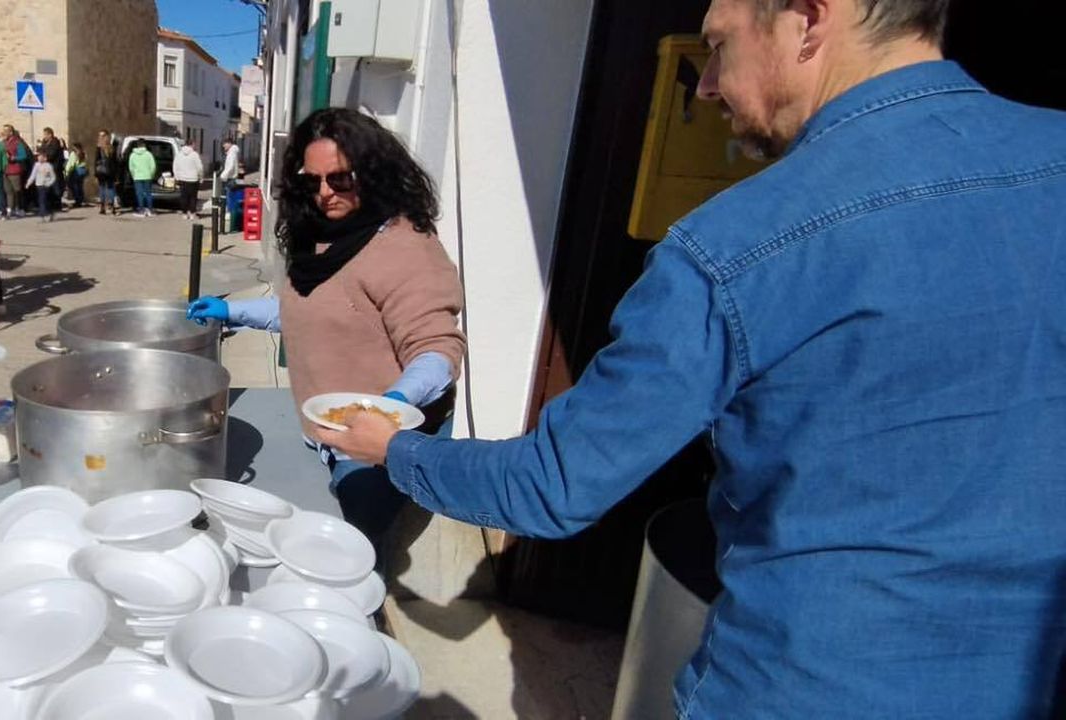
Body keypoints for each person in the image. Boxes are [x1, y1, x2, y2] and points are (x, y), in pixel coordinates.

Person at [318, 1, 1066, 715]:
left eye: (716, 44)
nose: (703, 84)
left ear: (807, 19)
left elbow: (552, 485)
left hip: (809, 686)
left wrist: (396, 448)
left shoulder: (737, 247)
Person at [187, 107, 464, 553]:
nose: (325, 193)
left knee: (351, 559)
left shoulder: (406, 247)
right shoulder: (321, 239)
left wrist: (392, 403)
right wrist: (231, 311)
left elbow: (437, 351)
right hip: (321, 431)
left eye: (340, 179)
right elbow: (309, 314)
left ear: (374, 174)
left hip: (376, 449)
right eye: (310, 181)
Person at [0, 124, 28, 219]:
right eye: (3, 130)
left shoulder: (17, 143)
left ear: (11, 132)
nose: (4, 133)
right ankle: (10, 209)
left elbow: (23, 155)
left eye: (6, 131)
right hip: (5, 170)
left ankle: (19, 208)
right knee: (8, 191)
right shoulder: (3, 143)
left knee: (17, 190)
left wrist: (14, 158)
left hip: (15, 170)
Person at [173, 139, 203, 219]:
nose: (195, 146)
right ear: (192, 144)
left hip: (182, 178)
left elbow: (175, 166)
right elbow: (199, 167)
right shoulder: (194, 154)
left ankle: (184, 213)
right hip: (193, 178)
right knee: (193, 197)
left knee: (184, 197)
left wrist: (177, 177)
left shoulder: (179, 154)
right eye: (194, 144)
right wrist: (200, 177)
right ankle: (192, 213)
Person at [25, 150, 57, 222]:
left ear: (45, 158)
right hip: (39, 185)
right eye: (38, 157)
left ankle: (49, 213)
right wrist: (28, 183)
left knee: (46, 200)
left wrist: (49, 184)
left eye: (41, 157)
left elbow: (53, 177)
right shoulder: (36, 165)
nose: (39, 158)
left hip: (46, 186)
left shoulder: (49, 166)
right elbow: (33, 175)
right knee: (41, 200)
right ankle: (43, 215)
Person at [126, 140, 156, 218]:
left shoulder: (132, 155)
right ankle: (150, 210)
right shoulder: (149, 154)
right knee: (148, 194)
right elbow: (153, 166)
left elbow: (131, 167)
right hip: (147, 176)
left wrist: (133, 175)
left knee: (139, 194)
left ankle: (141, 210)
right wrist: (151, 175)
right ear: (144, 145)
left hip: (137, 177)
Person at [94, 129, 118, 215]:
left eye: (101, 135)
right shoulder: (111, 147)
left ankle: (102, 207)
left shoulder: (99, 147)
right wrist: (116, 174)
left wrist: (95, 174)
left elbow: (96, 161)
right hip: (110, 171)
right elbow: (115, 161)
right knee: (110, 188)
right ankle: (111, 206)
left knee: (102, 188)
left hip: (101, 171)